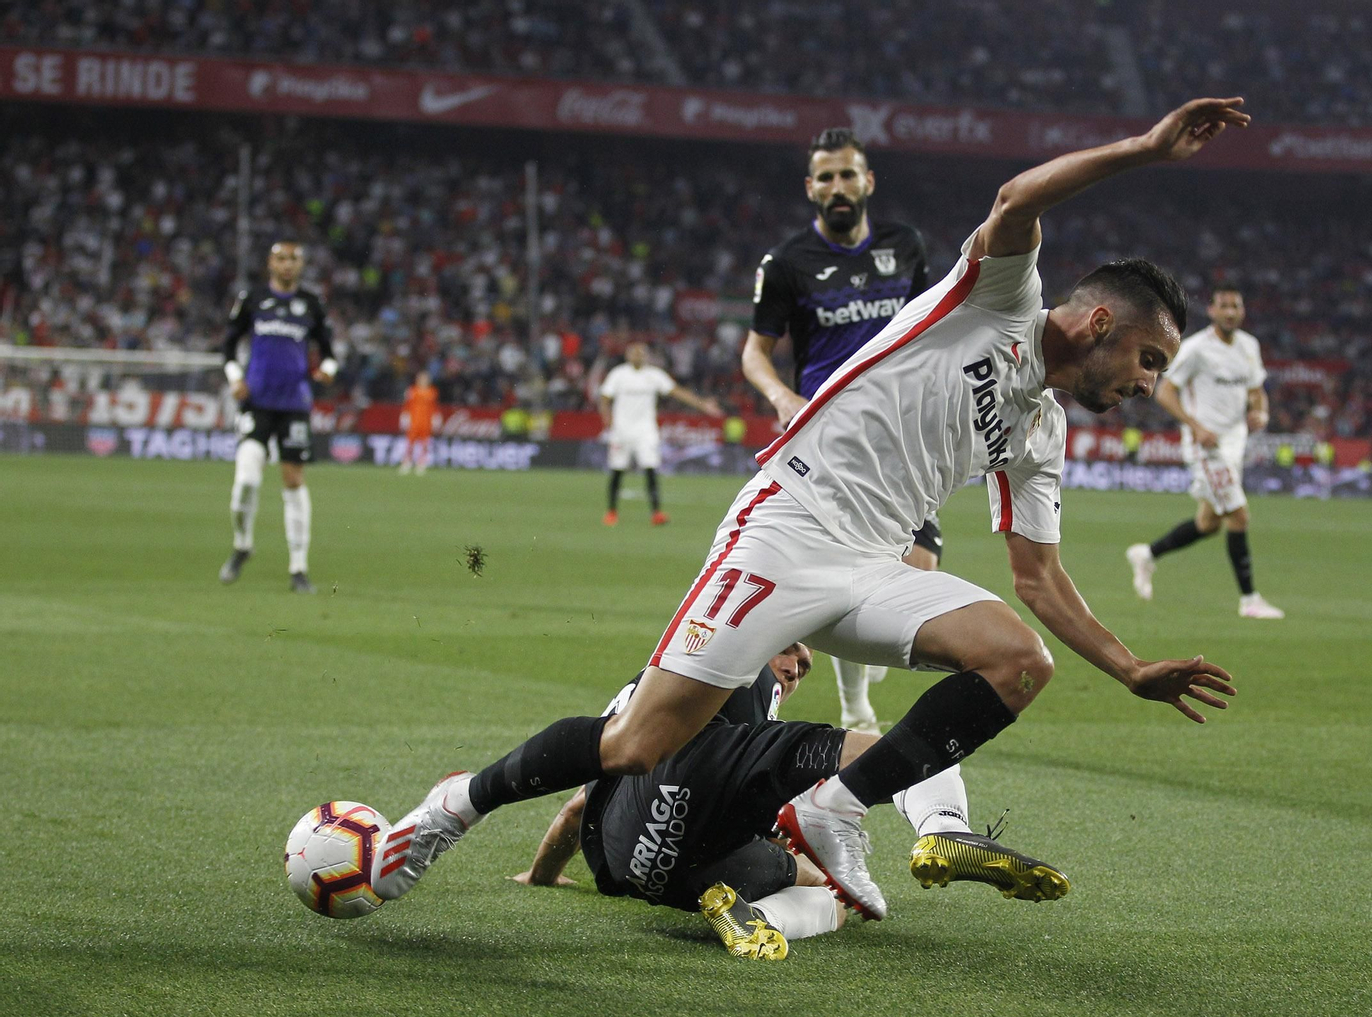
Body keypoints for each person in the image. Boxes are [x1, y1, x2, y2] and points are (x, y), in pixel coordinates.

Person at [371, 97, 1246, 924]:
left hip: (873, 564)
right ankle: (450, 809)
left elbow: (1038, 578)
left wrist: (1129, 668)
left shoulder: (1041, 429)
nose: (1149, 382)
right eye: (1151, 357)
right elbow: (1017, 197)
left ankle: (832, 808)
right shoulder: (1000, 299)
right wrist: (1145, 150)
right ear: (1098, 321)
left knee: (1020, 659)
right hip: (787, 527)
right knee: (635, 744)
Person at [512, 643, 1064, 961]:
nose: (797, 665)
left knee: (798, 849)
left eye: (804, 665)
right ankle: (943, 825)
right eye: (792, 649)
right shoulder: (741, 668)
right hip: (681, 815)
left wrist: (541, 875)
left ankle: (743, 914)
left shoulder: (653, 696)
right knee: (905, 754)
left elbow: (577, 807)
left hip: (639, 866)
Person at [741, 127, 937, 731]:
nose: (838, 187)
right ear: (811, 189)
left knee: (918, 573)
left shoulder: (906, 247)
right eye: (826, 178)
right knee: (859, 569)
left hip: (906, 434)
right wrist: (780, 396)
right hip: (831, 436)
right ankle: (856, 707)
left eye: (848, 174)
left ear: (868, 181)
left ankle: (862, 668)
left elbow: (932, 328)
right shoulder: (786, 263)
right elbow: (755, 351)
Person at [1124, 285, 1284, 618]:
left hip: (1234, 443)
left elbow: (1256, 392)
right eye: (1223, 306)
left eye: (1235, 305)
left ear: (1242, 311)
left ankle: (1147, 554)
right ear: (1211, 310)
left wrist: (1262, 412)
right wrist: (1196, 427)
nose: (1230, 311)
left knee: (1209, 522)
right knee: (1238, 516)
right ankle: (1249, 600)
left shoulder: (1249, 347)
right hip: (1206, 446)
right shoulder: (1196, 349)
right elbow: (1166, 393)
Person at [218, 241, 338, 593]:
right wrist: (235, 378)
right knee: (246, 480)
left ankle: (298, 568)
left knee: (293, 480)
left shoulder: (312, 304)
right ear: (271, 263)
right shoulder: (252, 299)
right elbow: (227, 345)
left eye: (294, 260)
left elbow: (329, 351)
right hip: (257, 401)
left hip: (295, 404)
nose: (288, 265)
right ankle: (243, 544)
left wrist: (328, 369)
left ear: (301, 265)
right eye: (282, 259)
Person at [598, 342, 724, 526]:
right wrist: (606, 417)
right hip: (621, 430)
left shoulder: (654, 375)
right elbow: (604, 397)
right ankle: (611, 512)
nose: (637, 356)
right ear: (627, 355)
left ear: (646, 356)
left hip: (646, 430)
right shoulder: (618, 374)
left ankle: (656, 513)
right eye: (634, 353)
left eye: (641, 353)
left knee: (650, 469)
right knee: (617, 470)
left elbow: (677, 392)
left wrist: (702, 404)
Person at [398, 370, 439, 475]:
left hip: (426, 421)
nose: (424, 381)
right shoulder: (412, 391)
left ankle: (421, 464)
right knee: (410, 443)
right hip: (414, 421)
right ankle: (406, 463)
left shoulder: (432, 392)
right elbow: (407, 404)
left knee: (425, 444)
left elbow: (434, 407)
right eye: (422, 378)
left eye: (426, 379)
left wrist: (436, 417)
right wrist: (404, 416)